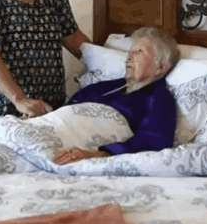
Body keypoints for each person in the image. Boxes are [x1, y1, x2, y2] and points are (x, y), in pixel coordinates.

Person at [54, 26, 180, 165]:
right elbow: (69, 108)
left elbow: (152, 142)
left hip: (82, 153)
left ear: (160, 67)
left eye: (139, 51)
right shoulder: (103, 87)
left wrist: (96, 155)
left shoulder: (159, 98)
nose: (129, 57)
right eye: (130, 51)